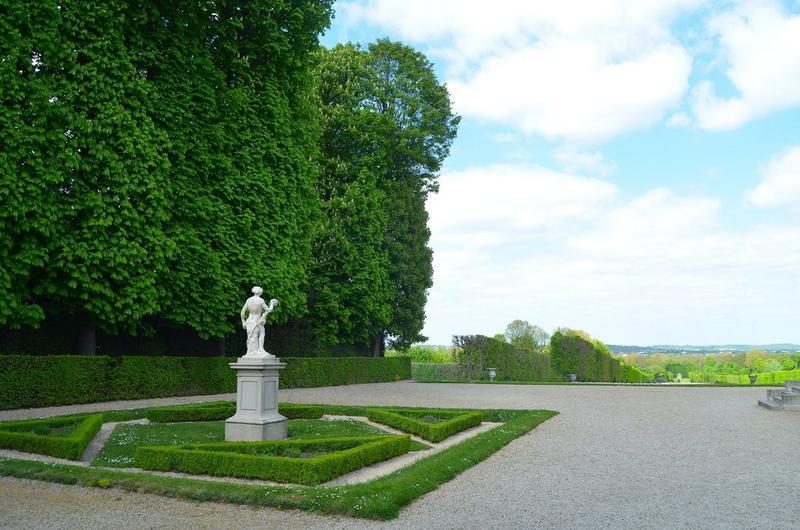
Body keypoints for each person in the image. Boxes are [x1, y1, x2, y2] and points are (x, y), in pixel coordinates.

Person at [240, 286, 278, 357]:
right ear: (260, 292)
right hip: (257, 321)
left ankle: (253, 351)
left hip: (249, 321)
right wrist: (272, 304)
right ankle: (260, 349)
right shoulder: (261, 300)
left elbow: (242, 312)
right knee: (262, 333)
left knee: (251, 337)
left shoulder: (248, 300)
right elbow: (269, 310)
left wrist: (243, 322)